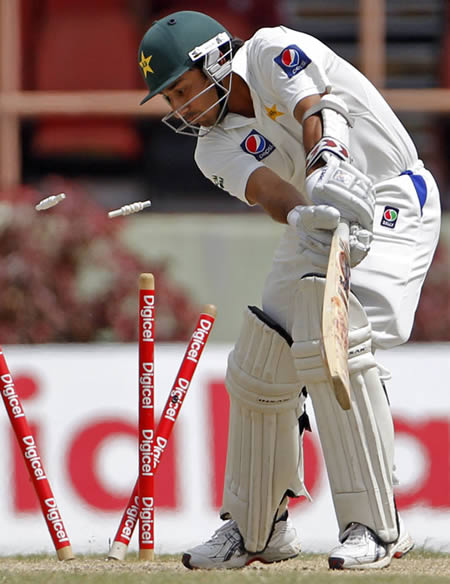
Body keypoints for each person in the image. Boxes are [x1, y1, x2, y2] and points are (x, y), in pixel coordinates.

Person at [137, 11, 441, 570]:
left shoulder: (272, 49)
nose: (179, 108)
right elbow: (271, 191)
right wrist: (305, 214)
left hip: (392, 193)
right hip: (319, 215)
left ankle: (374, 529)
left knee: (334, 341)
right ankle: (256, 530)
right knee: (261, 360)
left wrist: (327, 163)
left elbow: (318, 109)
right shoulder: (211, 148)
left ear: (214, 61)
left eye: (182, 89)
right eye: (168, 99)